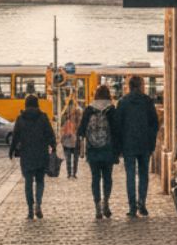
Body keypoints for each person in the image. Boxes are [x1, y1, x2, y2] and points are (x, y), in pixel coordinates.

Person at [114, 75, 160, 217]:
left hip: (128, 144)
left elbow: (117, 126)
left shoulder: (123, 102)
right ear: (140, 85)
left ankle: (132, 207)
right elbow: (155, 124)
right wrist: (151, 140)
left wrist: (119, 145)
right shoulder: (147, 101)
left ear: (129, 86)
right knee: (143, 174)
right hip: (145, 144)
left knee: (130, 175)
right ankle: (142, 204)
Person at [9, 94, 56, 219]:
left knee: (28, 182)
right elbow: (50, 134)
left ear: (26, 104)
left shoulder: (20, 118)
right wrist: (53, 146)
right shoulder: (43, 117)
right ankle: (38, 204)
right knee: (40, 181)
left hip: (27, 155)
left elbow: (15, 137)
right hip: (41, 154)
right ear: (37, 104)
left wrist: (11, 150)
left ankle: (30, 209)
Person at [77, 85, 119, 219]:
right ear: (108, 95)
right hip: (108, 149)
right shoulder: (111, 109)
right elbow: (117, 131)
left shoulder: (89, 109)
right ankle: (106, 202)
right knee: (107, 177)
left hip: (93, 150)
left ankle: (97, 207)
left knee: (95, 178)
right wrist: (118, 151)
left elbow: (81, 130)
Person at [59, 98, 82, 179]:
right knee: (75, 158)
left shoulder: (64, 115)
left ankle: (69, 173)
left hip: (66, 139)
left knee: (68, 158)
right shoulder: (77, 114)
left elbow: (61, 127)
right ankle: (74, 173)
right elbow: (80, 126)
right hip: (76, 139)